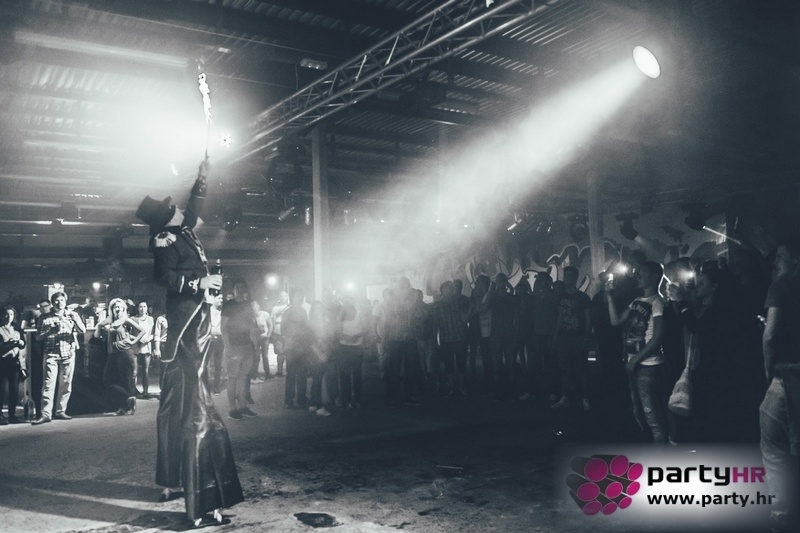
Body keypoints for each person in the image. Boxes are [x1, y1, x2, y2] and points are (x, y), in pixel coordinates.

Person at [136, 158, 243, 527]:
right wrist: (199, 283)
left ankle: (175, 481)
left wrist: (202, 178)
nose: (184, 209)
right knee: (199, 414)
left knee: (178, 407)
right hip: (187, 327)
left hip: (192, 322)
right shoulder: (166, 240)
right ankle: (204, 503)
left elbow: (195, 206)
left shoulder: (182, 231)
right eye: (177, 209)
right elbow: (162, 276)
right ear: (169, 220)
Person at [607, 261, 668, 443]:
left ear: (654, 277)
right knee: (638, 409)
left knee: (651, 412)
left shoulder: (657, 302)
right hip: (634, 363)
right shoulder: (636, 301)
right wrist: (609, 297)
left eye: (642, 272)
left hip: (649, 365)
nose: (638, 275)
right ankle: (650, 445)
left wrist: (635, 360)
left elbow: (657, 338)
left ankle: (661, 449)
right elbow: (615, 321)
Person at [33, 291, 86, 424]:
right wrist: (49, 331)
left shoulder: (72, 315)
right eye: (56, 300)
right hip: (51, 353)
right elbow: (38, 337)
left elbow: (83, 330)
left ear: (65, 301)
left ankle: (60, 411)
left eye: (62, 300)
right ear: (52, 303)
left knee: (66, 384)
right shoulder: (44, 317)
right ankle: (46, 414)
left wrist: (75, 319)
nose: (59, 303)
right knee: (48, 385)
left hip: (68, 353)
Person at [95, 298, 145, 415]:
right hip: (112, 354)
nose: (118, 309)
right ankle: (129, 397)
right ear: (112, 309)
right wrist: (99, 326)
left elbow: (142, 331)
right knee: (108, 380)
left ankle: (125, 407)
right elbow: (98, 331)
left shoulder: (125, 320)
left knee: (125, 380)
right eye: (115, 307)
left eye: (120, 307)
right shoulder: (110, 320)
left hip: (124, 353)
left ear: (123, 308)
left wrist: (132, 341)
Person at [552, 266, 592, 411]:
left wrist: (586, 337)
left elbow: (588, 319)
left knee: (581, 369)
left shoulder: (583, 298)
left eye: (569, 275)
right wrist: (556, 334)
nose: (566, 278)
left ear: (575, 278)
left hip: (578, 337)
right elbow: (560, 316)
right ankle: (565, 397)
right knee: (565, 368)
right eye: (565, 275)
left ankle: (585, 398)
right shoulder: (561, 297)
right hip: (564, 337)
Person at [221, 280, 258, 419]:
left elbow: (251, 326)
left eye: (242, 287)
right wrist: (228, 346)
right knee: (232, 378)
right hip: (234, 346)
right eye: (237, 287)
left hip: (247, 345)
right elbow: (223, 326)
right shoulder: (229, 305)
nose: (240, 290)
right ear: (234, 289)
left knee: (243, 377)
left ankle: (242, 406)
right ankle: (232, 409)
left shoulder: (248, 305)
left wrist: (255, 345)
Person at [0, 306, 26, 425]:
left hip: (14, 362)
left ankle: (12, 415)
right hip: (2, 361)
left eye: (11, 314)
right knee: (1, 389)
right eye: (6, 314)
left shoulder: (17, 329)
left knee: (14, 389)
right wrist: (10, 344)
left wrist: (20, 343)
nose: (8, 317)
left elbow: (23, 345)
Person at [131, 301, 155, 398]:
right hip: (136, 347)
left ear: (147, 308)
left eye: (144, 306)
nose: (142, 309)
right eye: (140, 307)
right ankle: (133, 391)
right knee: (134, 371)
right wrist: (138, 339)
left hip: (146, 347)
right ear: (137, 308)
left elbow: (153, 333)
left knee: (146, 371)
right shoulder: (133, 319)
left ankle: (145, 391)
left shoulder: (150, 319)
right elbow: (128, 334)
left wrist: (148, 339)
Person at [205, 294, 225, 394]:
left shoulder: (222, 312)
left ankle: (216, 386)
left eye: (222, 298)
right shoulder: (207, 312)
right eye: (219, 298)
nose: (221, 300)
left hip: (220, 339)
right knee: (205, 363)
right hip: (209, 339)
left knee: (218, 363)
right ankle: (205, 386)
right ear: (213, 299)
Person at [271, 291, 290, 377]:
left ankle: (289, 370)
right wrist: (272, 331)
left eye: (284, 296)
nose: (283, 298)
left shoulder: (290, 307)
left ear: (287, 297)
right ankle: (279, 371)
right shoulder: (275, 308)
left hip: (288, 332)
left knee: (289, 352)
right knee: (280, 352)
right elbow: (272, 319)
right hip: (277, 332)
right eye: (281, 296)